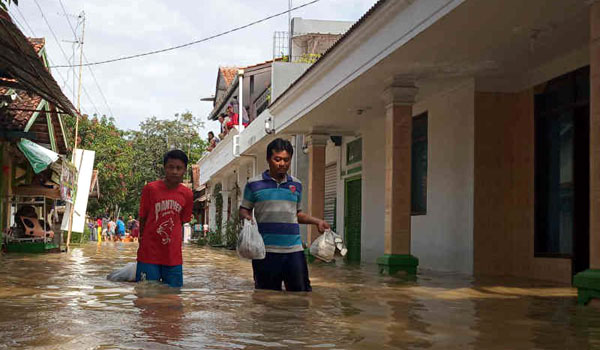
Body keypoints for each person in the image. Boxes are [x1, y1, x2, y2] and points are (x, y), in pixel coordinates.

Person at [239, 138, 330, 292]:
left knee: (301, 297)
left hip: (294, 251)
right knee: (266, 298)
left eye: (286, 160)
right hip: (264, 253)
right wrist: (248, 218)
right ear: (268, 159)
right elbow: (244, 209)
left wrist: (317, 222)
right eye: (277, 159)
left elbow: (297, 214)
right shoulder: (253, 184)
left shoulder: (297, 184)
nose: (282, 164)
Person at [135, 149, 194, 287]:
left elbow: (184, 219)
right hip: (149, 253)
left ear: (184, 170)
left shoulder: (187, 194)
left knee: (173, 300)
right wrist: (142, 239)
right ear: (164, 168)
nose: (174, 171)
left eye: (179, 168)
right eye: (171, 167)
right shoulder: (150, 189)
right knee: (146, 296)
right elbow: (143, 217)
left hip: (173, 255)